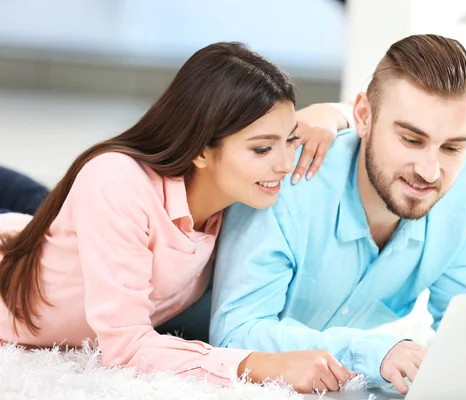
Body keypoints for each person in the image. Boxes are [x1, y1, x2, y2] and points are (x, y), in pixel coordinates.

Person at [0, 41, 357, 394]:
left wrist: (327, 116)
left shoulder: (240, 192)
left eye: (290, 140)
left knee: (46, 211)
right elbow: (125, 347)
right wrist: (256, 364)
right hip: (16, 262)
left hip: (53, 233)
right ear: (201, 150)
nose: (284, 164)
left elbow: (369, 112)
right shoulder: (117, 182)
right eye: (263, 148)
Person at [210, 34, 466, 395]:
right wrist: (367, 353)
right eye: (411, 140)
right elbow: (234, 333)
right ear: (362, 116)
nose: (429, 171)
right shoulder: (286, 182)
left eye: (453, 147)